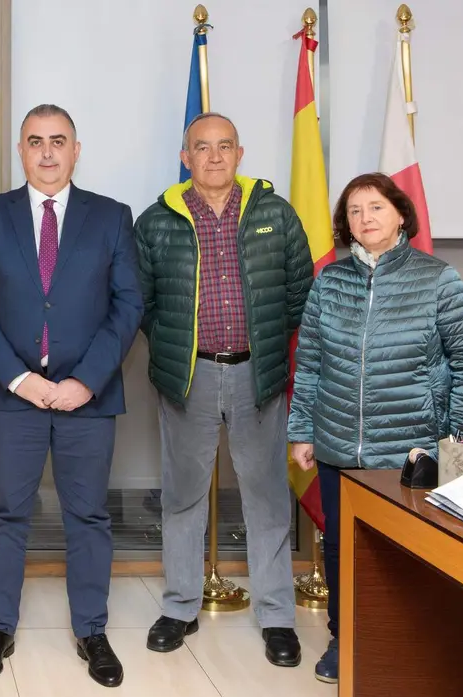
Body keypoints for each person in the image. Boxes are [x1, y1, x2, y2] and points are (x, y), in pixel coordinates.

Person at [0, 104, 143, 688]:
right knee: (7, 512)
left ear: (76, 149)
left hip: (88, 396)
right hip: (12, 395)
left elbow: (128, 305)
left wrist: (84, 380)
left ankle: (91, 630)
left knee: (87, 515)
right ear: (21, 149)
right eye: (35, 141)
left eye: (58, 141)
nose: (47, 152)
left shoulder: (112, 217)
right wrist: (20, 379)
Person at [288, 171, 463, 683]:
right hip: (338, 445)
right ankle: (343, 637)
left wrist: (455, 441)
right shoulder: (331, 282)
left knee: (407, 552)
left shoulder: (438, 279)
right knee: (339, 546)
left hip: (411, 453)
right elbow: (309, 363)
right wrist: (302, 430)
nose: (365, 219)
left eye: (375, 207)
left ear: (401, 213)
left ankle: (408, 644)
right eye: (355, 211)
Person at [134, 112, 313, 667]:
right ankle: (181, 606)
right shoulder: (157, 221)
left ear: (240, 153)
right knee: (182, 495)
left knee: (266, 497)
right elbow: (140, 303)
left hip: (257, 376)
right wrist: (174, 347)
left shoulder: (276, 215)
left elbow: (299, 295)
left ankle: (277, 616)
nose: (213, 157)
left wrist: (262, 351)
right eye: (201, 148)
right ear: (185, 158)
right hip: (190, 376)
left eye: (224, 147)